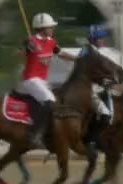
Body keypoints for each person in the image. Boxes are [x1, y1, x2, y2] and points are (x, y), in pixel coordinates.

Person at [17, 13, 77, 148]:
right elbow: (17, 54)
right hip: (30, 79)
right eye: (50, 27)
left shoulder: (51, 41)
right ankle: (34, 134)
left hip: (43, 81)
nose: (52, 29)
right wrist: (25, 47)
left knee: (59, 98)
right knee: (50, 101)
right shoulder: (32, 41)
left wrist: (78, 59)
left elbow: (61, 54)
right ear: (42, 28)